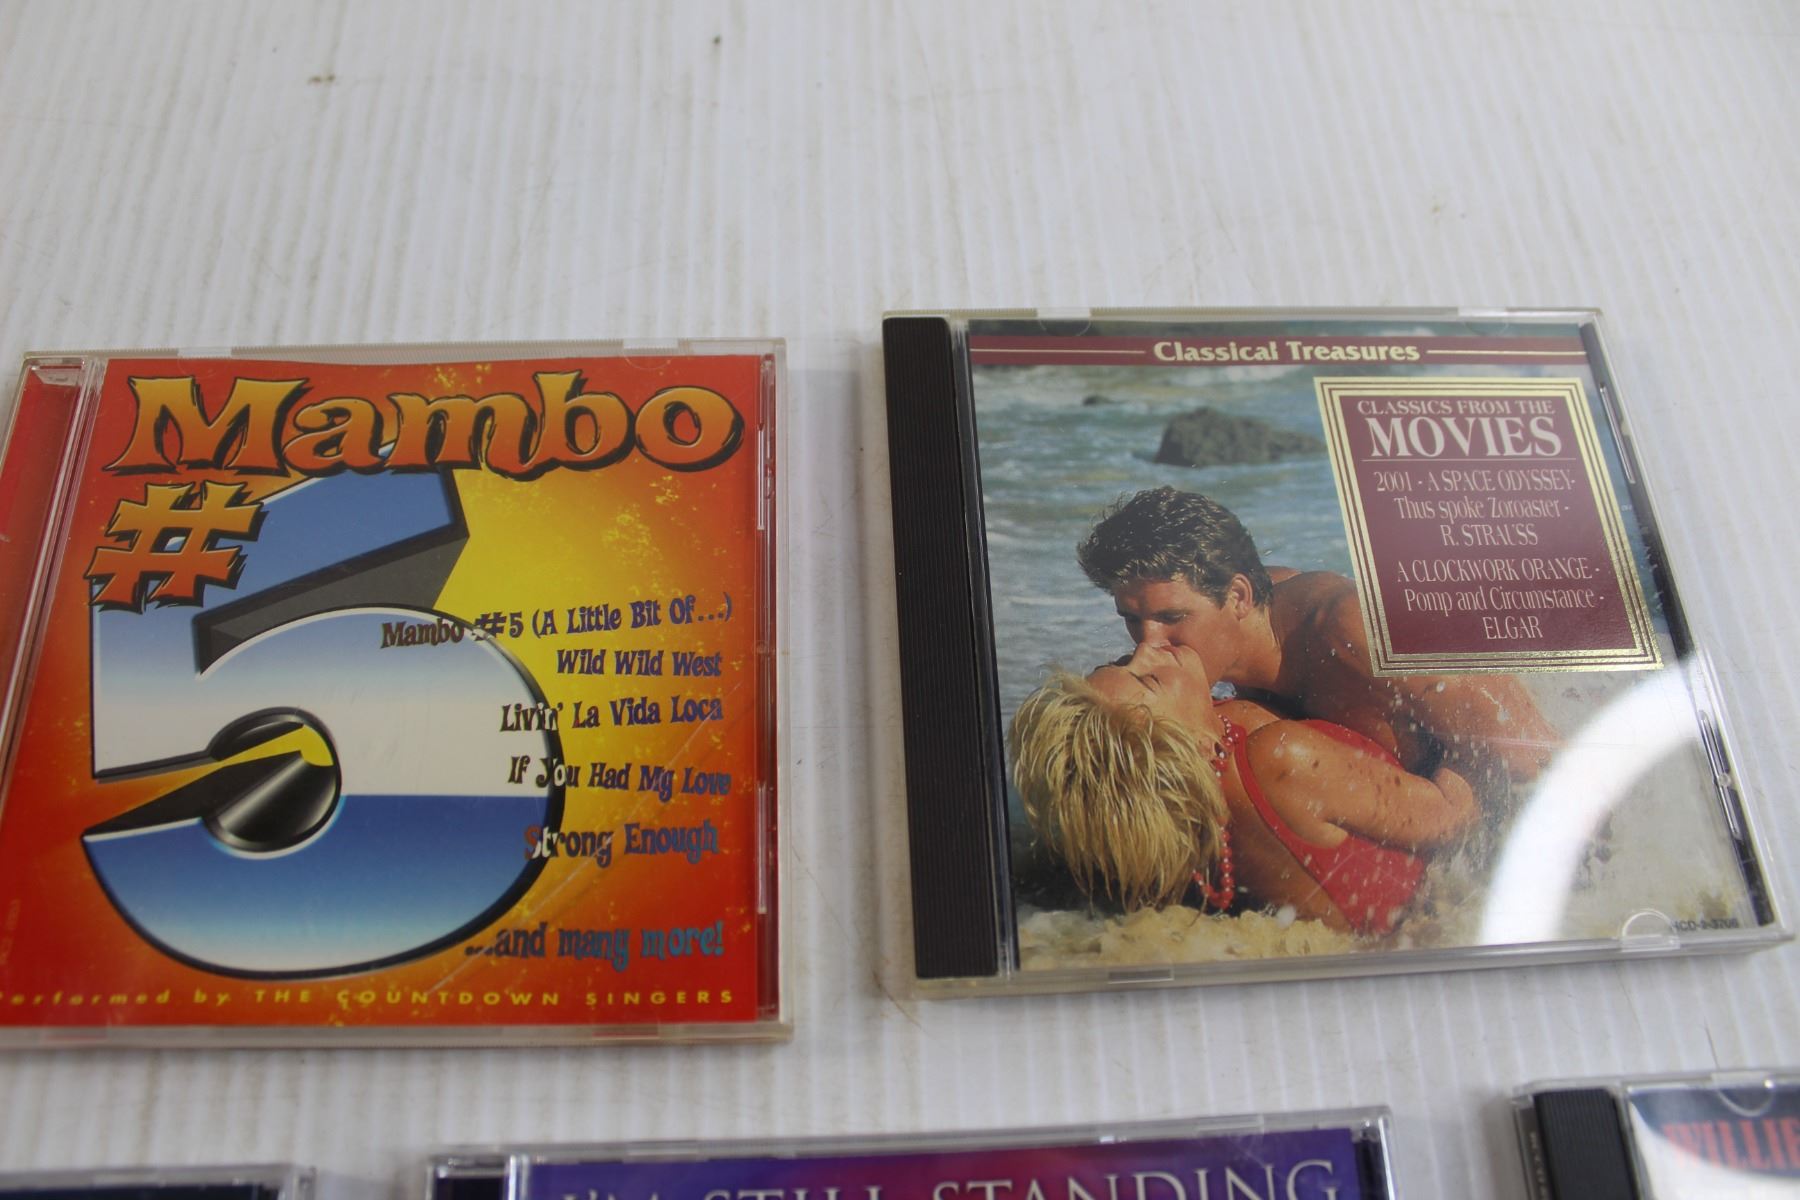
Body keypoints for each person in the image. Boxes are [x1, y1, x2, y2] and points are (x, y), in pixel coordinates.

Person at [1076, 487, 1559, 786]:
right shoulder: (1231, 639)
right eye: (1132, 619)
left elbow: (1532, 755)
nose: (1147, 644)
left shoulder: (1349, 629)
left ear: (1239, 597)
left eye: (1171, 616)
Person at [1009, 641, 1478, 935]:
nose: (1147, 646)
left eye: (1121, 661)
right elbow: (1451, 819)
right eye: (1148, 677)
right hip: (1422, 909)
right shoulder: (1282, 760)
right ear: (1192, 745)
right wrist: (1471, 730)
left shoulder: (1167, 815)